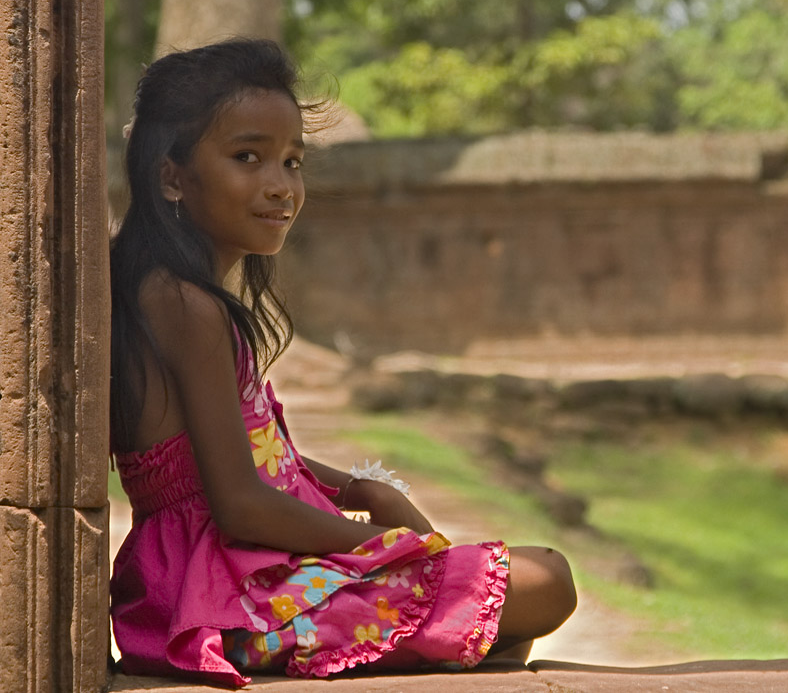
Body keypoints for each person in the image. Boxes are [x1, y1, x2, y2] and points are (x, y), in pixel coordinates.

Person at [108, 39, 576, 687]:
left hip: (210, 582)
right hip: (221, 601)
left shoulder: (173, 293)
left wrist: (357, 488)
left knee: (500, 600)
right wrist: (382, 542)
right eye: (248, 157)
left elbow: (244, 456)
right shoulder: (187, 306)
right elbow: (240, 503)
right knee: (545, 578)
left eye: (292, 161)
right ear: (171, 176)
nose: (281, 185)